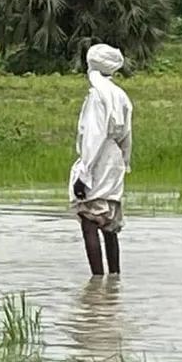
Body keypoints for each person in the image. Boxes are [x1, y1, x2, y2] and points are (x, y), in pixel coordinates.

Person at [68, 43, 132, 277]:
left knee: (89, 220)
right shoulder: (120, 95)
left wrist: (83, 174)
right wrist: (124, 162)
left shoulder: (97, 96)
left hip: (99, 158)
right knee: (109, 223)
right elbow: (127, 135)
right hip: (114, 159)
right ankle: (114, 279)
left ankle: (96, 280)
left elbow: (93, 138)